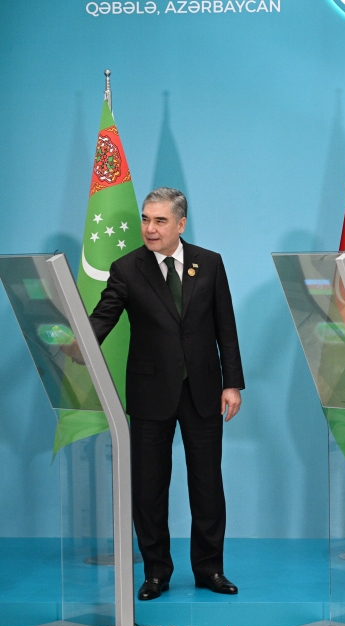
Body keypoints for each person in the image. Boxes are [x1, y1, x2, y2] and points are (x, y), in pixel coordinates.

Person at [88, 187, 245, 600]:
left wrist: (232, 383)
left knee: (207, 487)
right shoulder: (126, 268)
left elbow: (225, 326)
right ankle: (156, 572)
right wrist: (76, 341)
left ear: (181, 224)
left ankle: (210, 569)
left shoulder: (209, 263)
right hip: (149, 392)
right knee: (149, 489)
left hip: (203, 390)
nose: (150, 228)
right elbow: (103, 317)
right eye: (145, 219)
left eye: (160, 220)